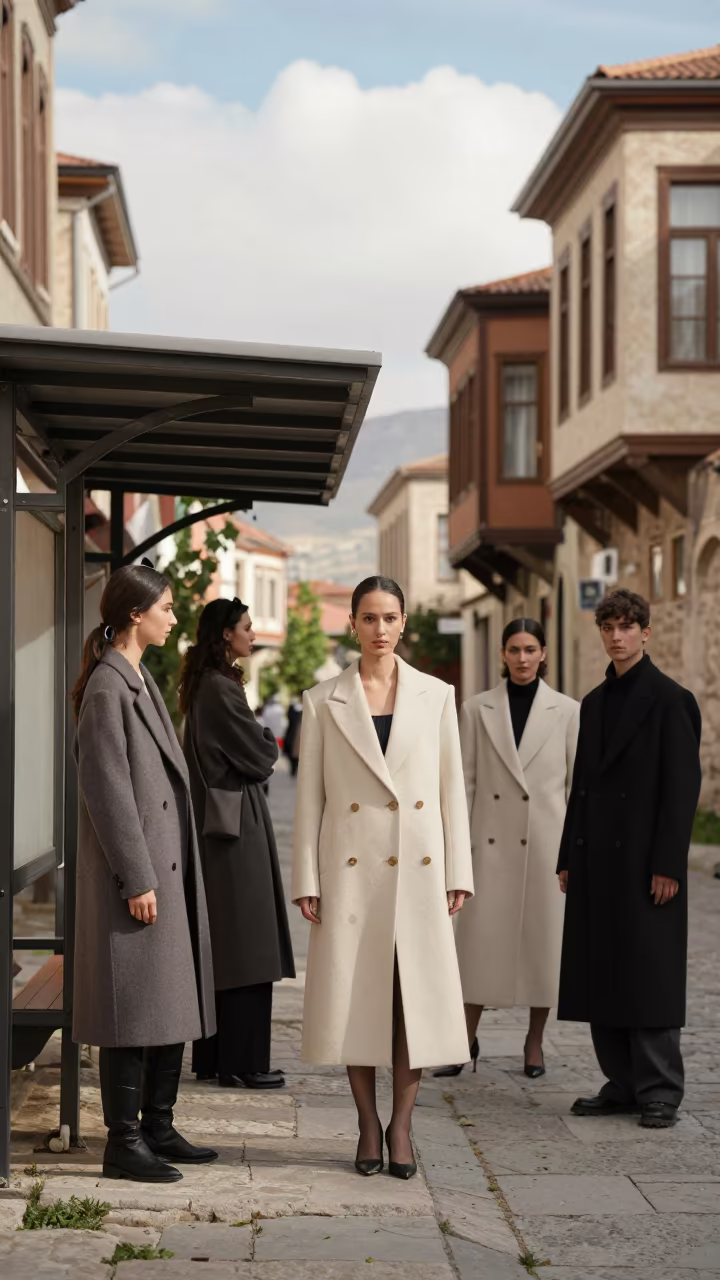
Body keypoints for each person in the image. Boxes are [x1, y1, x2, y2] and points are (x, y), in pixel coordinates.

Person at [291, 575, 473, 1179]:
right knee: (357, 1001)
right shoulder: (322, 701)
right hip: (351, 874)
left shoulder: (437, 696)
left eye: (390, 617)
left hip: (419, 872)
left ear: (403, 623)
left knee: (412, 1004)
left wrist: (459, 869)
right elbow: (309, 798)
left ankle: (403, 1125)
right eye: (369, 618)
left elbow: (453, 791)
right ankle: (368, 1124)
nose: (380, 629)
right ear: (353, 623)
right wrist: (307, 878)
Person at [72, 564, 217, 1184]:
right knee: (131, 1012)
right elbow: (107, 792)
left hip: (165, 866)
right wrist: (137, 878)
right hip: (137, 878)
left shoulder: (137, 676)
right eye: (167, 607)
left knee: (166, 1002)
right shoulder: (109, 687)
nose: (175, 617)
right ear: (137, 613)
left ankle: (157, 1125)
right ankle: (123, 1142)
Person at [557, 588, 701, 1129]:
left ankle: (660, 1088)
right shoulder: (592, 703)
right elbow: (583, 788)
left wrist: (668, 863)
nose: (616, 636)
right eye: (608, 627)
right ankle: (621, 1081)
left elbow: (682, 787)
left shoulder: (671, 699)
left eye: (626, 627)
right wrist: (569, 855)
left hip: (646, 863)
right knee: (603, 970)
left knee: (649, 972)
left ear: (645, 632)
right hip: (596, 861)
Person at [436, 618, 579, 1080]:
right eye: (514, 649)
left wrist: (572, 852)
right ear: (503, 653)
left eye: (530, 649)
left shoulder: (568, 711)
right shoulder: (476, 709)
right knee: (478, 946)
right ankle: (462, 1039)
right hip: (490, 845)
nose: (522, 658)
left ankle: (534, 1043)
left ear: (543, 654)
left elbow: (576, 788)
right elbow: (464, 782)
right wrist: (459, 849)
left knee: (543, 949)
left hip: (545, 847)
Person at [179, 597, 295, 1090]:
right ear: (226, 634)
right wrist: (267, 739)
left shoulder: (205, 685)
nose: (252, 634)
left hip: (221, 826)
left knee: (228, 945)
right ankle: (242, 1064)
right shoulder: (221, 689)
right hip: (233, 830)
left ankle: (217, 1059)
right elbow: (261, 754)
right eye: (247, 627)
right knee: (248, 944)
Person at [284, 695, 303, 776]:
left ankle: (295, 769)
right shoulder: (293, 710)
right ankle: (293, 769)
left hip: (299, 735)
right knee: (293, 753)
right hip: (293, 735)